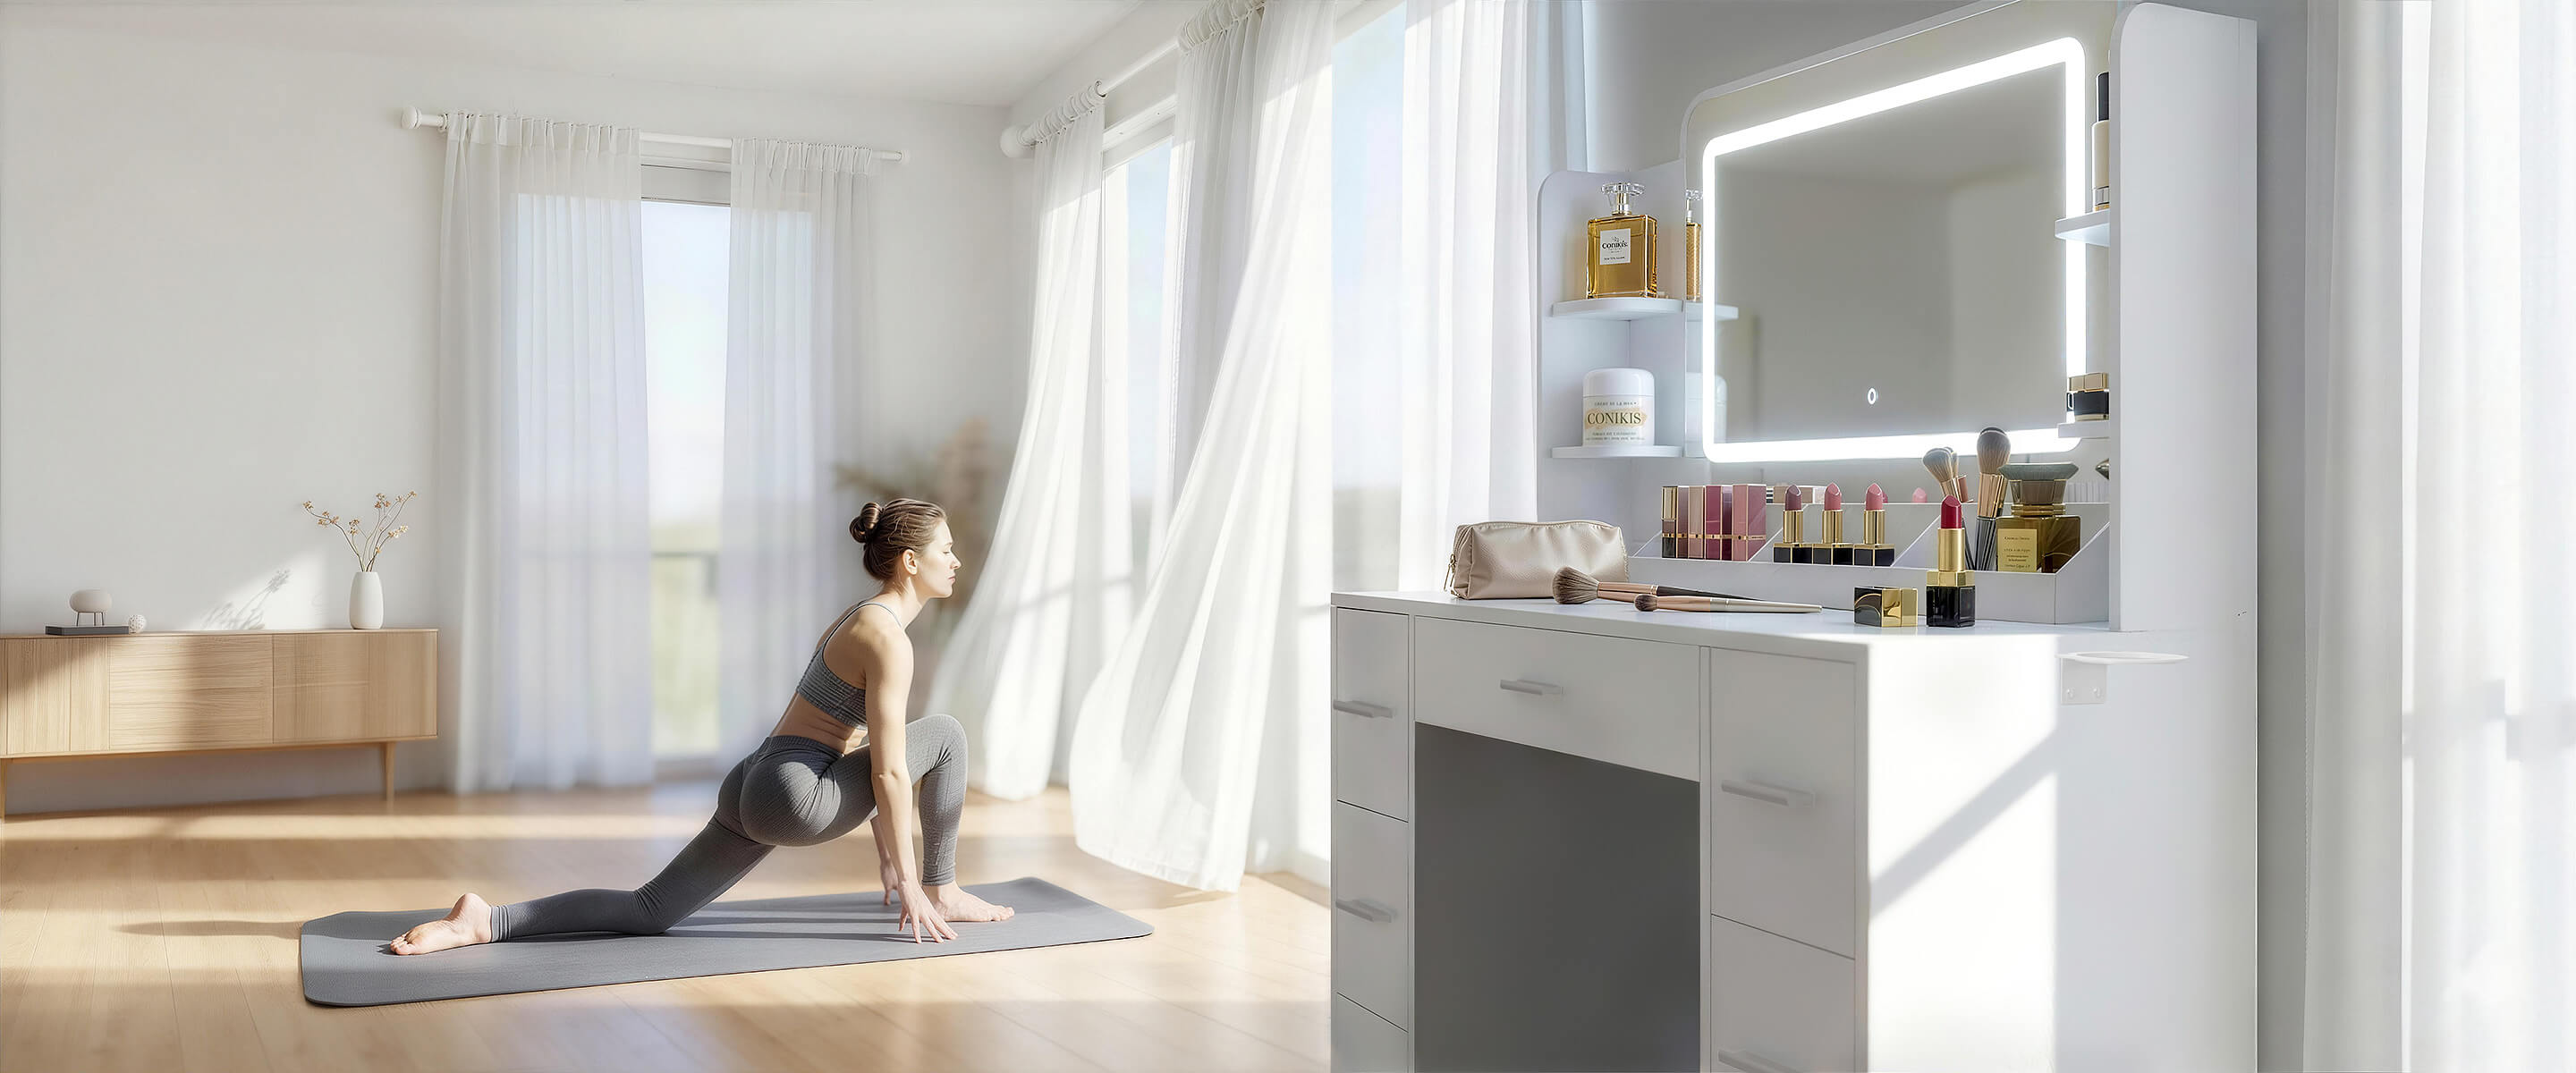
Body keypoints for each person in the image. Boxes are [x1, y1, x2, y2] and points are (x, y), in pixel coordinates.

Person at [390, 498, 1012, 952]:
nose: (956, 561)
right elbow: (890, 768)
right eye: (946, 550)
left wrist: (885, 855)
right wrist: (912, 881)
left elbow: (874, 752)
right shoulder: (890, 642)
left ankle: (486, 920)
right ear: (909, 561)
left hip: (756, 781)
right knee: (949, 734)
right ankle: (947, 887)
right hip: (797, 794)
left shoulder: (862, 617)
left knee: (649, 909)